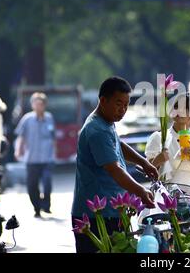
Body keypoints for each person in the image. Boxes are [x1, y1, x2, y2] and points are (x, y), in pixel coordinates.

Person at [71, 76, 158, 253]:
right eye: (119, 104)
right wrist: (140, 191)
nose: (123, 110)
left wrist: (143, 162)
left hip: (112, 210)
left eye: (126, 105)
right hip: (97, 215)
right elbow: (114, 169)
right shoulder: (97, 130)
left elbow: (117, 143)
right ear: (103, 100)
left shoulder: (105, 122)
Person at [145, 93, 190, 192]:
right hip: (165, 195)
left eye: (185, 108)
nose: (180, 111)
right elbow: (148, 172)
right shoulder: (158, 137)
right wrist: (159, 159)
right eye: (176, 107)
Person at [14, 92, 56, 218]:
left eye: (41, 104)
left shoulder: (49, 118)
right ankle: (37, 208)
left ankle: (46, 205)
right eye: (36, 104)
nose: (39, 106)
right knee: (32, 186)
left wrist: (55, 152)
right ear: (32, 105)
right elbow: (21, 136)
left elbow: (53, 137)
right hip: (31, 159)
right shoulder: (27, 119)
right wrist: (18, 150)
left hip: (47, 158)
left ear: (44, 105)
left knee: (47, 183)